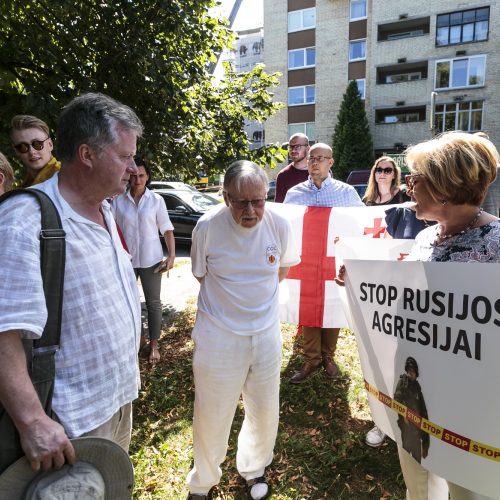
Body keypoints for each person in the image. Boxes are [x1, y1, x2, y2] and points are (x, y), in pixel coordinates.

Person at [0, 93, 143, 473]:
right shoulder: (25, 220)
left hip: (113, 402)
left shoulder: (105, 208)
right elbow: (3, 332)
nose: (133, 166)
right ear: (87, 154)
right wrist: (32, 421)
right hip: (66, 425)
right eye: (125, 155)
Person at [186, 161, 300, 500]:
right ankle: (203, 482)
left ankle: (254, 468)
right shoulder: (207, 226)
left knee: (264, 409)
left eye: (258, 201)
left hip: (265, 334)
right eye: (241, 202)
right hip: (218, 335)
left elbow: (281, 271)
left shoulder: (279, 225)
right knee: (212, 412)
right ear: (225, 198)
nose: (250, 210)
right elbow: (200, 274)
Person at [400, 131, 500, 500]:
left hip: (472, 409)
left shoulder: (498, 247)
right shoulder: (426, 238)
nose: (407, 186)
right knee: (418, 480)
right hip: (419, 393)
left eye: (415, 178)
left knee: (468, 491)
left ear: (442, 188)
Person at [284, 143, 364, 383]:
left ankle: (328, 356)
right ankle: (311, 360)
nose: (314, 162)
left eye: (320, 158)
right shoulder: (294, 193)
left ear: (331, 162)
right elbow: (286, 227)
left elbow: (359, 224)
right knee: (307, 306)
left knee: (333, 305)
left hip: (333, 260)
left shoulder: (346, 193)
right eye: (311, 158)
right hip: (305, 261)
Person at [111, 157, 176, 365]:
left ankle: (154, 344)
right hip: (126, 261)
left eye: (141, 175)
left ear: (147, 176)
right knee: (129, 303)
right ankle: (138, 339)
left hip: (151, 260)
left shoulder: (157, 201)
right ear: (128, 177)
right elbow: (111, 229)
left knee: (153, 303)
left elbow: (167, 229)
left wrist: (172, 256)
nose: (137, 180)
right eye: (134, 176)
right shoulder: (118, 201)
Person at [393, 357, 429, 465]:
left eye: (412, 372)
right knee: (406, 463)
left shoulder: (417, 388)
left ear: (416, 373)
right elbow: (396, 400)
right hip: (407, 431)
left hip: (417, 434)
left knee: (417, 464)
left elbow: (424, 414)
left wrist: (426, 445)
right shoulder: (403, 383)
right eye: (408, 371)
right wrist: (404, 413)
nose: (410, 374)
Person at [10, 115, 61, 187]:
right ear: (16, 150)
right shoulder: (23, 188)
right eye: (23, 147)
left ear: (50, 144)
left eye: (37, 144)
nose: (32, 152)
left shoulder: (65, 175)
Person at [274, 133, 310, 203]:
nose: (293, 150)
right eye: (291, 147)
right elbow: (279, 207)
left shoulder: (320, 172)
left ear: (308, 148)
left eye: (297, 146)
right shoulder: (283, 175)